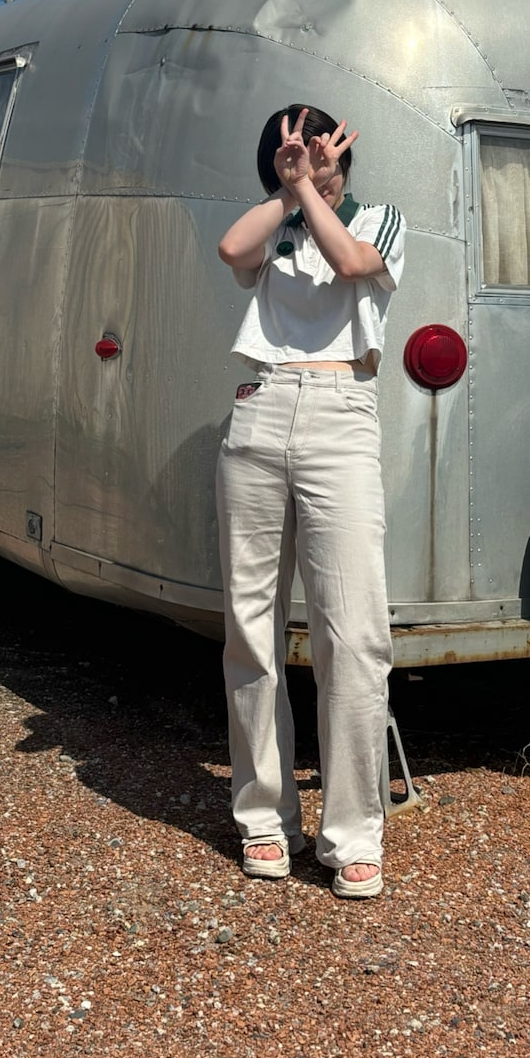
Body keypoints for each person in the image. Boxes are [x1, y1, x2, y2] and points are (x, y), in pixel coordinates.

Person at [215, 104, 406, 899]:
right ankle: (265, 818)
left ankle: (353, 832)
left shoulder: (381, 219)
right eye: (293, 153)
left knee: (353, 633)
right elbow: (232, 249)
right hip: (261, 407)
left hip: (341, 411)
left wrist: (316, 189)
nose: (310, 161)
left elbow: (353, 262)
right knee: (251, 625)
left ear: (344, 156)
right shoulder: (278, 224)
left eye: (322, 150)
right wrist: (289, 189)